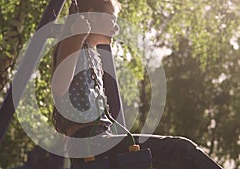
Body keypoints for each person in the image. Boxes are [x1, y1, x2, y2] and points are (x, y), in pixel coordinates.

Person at [51, 0, 223, 169]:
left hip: (100, 141)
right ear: (91, 16)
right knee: (182, 151)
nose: (116, 27)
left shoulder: (90, 51)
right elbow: (58, 87)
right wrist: (78, 35)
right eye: (112, 20)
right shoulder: (74, 41)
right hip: (91, 144)